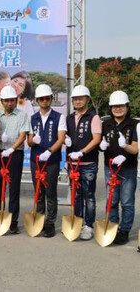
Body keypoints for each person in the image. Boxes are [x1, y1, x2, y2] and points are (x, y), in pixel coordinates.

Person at [28, 84, 66, 238]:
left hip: (51, 161)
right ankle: (40, 219)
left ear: (51, 99)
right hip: (35, 160)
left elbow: (61, 138)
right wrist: (33, 141)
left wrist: (49, 151)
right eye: (41, 98)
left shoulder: (59, 117)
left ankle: (50, 223)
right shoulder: (33, 118)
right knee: (38, 192)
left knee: (50, 191)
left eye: (47, 98)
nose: (44, 100)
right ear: (37, 100)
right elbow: (29, 141)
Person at [0, 85, 30, 234]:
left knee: (13, 188)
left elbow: (23, 135)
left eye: (12, 100)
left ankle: (13, 220)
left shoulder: (22, 115)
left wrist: (12, 148)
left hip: (15, 154)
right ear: (2, 101)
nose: (9, 103)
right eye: (6, 101)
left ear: (16, 100)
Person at [100, 90, 138, 245]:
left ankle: (124, 230)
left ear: (127, 106)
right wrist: (102, 147)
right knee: (112, 200)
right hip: (111, 169)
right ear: (111, 108)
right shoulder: (106, 124)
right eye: (115, 106)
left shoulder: (134, 124)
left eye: (121, 106)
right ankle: (113, 227)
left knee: (127, 201)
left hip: (128, 168)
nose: (118, 109)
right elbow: (101, 145)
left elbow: (135, 149)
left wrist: (125, 147)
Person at [64, 85, 101, 240]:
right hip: (73, 165)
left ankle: (88, 226)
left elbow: (97, 139)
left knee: (89, 196)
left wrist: (82, 152)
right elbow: (66, 136)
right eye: (75, 99)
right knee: (76, 195)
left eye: (81, 98)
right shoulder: (69, 117)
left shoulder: (93, 117)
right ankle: (77, 222)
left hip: (88, 163)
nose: (78, 101)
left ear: (87, 99)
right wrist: (66, 141)